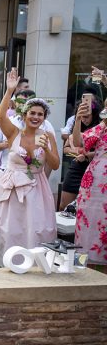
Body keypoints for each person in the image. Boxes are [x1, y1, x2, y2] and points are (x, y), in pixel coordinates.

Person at [0, 68, 58, 262]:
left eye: (40, 114)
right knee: (11, 229)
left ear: (44, 117)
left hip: (38, 188)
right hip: (13, 188)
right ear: (25, 113)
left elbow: (54, 165)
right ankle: (12, 264)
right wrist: (9, 90)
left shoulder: (48, 136)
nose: (36, 117)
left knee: (37, 229)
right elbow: (1, 115)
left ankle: (37, 266)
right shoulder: (14, 133)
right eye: (32, 113)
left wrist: (46, 149)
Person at [72, 99, 107, 267]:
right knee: (88, 220)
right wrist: (78, 119)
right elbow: (79, 144)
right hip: (95, 179)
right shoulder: (102, 127)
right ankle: (83, 266)